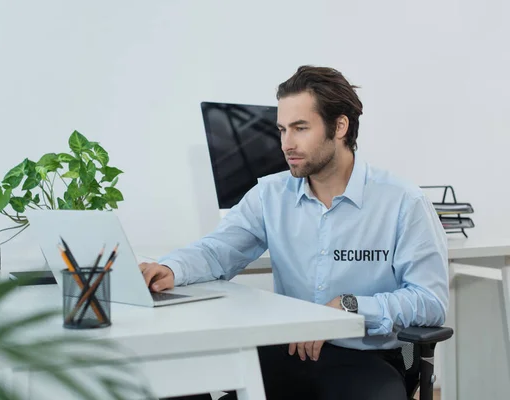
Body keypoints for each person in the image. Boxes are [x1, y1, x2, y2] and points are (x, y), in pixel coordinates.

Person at [139, 65, 449, 400]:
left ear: (340, 126)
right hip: (286, 350)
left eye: (300, 128)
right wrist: (171, 269)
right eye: (282, 130)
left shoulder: (403, 201)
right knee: (171, 379)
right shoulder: (270, 195)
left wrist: (349, 306)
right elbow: (217, 251)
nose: (287, 143)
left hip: (362, 357)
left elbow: (430, 301)